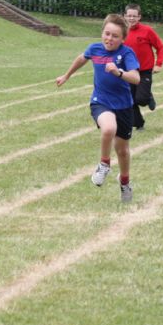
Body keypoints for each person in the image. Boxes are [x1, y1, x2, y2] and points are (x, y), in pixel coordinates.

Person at [56, 13, 140, 202]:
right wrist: (66, 76)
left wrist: (118, 72)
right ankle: (104, 164)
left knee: (123, 151)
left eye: (115, 36)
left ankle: (125, 182)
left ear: (123, 39)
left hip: (124, 106)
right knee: (108, 128)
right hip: (100, 101)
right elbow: (81, 58)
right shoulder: (94, 49)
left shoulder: (126, 54)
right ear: (102, 32)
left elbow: (136, 78)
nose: (109, 39)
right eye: (107, 34)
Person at [123, 3, 163, 130]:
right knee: (130, 100)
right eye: (129, 16)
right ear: (124, 16)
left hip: (145, 71)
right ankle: (139, 124)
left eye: (134, 16)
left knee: (141, 99)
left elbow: (160, 47)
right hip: (129, 71)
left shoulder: (147, 31)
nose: (131, 19)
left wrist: (158, 64)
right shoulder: (122, 32)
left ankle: (148, 96)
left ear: (139, 17)